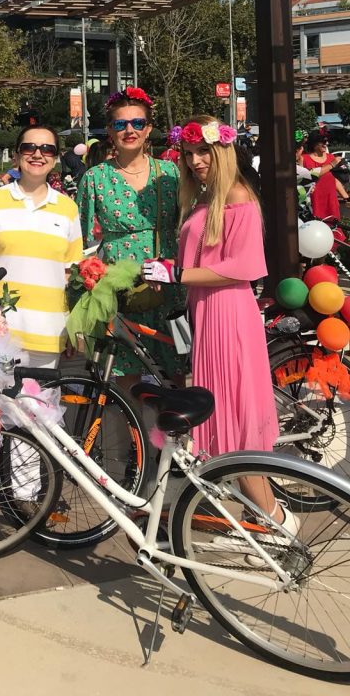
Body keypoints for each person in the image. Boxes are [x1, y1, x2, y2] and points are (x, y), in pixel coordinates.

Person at [142, 115, 297, 533]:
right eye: (188, 154)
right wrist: (168, 269)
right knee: (223, 421)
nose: (195, 161)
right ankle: (258, 521)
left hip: (229, 315)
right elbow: (201, 260)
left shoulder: (238, 196)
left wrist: (177, 274)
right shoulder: (208, 197)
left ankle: (278, 524)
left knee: (236, 425)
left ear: (222, 150)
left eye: (203, 152)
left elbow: (243, 267)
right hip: (207, 314)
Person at [76, 86, 183, 384]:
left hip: (166, 281)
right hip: (119, 286)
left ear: (148, 129)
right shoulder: (95, 177)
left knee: (175, 372)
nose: (129, 130)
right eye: (121, 124)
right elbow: (78, 237)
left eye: (137, 122)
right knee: (125, 374)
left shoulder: (171, 173)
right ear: (110, 130)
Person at [0, 125, 82, 366]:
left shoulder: (68, 208)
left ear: (56, 158)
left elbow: (71, 274)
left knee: (42, 393)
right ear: (16, 155)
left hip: (49, 332)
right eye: (29, 147)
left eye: (47, 149)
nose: (38, 154)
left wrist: (74, 326)